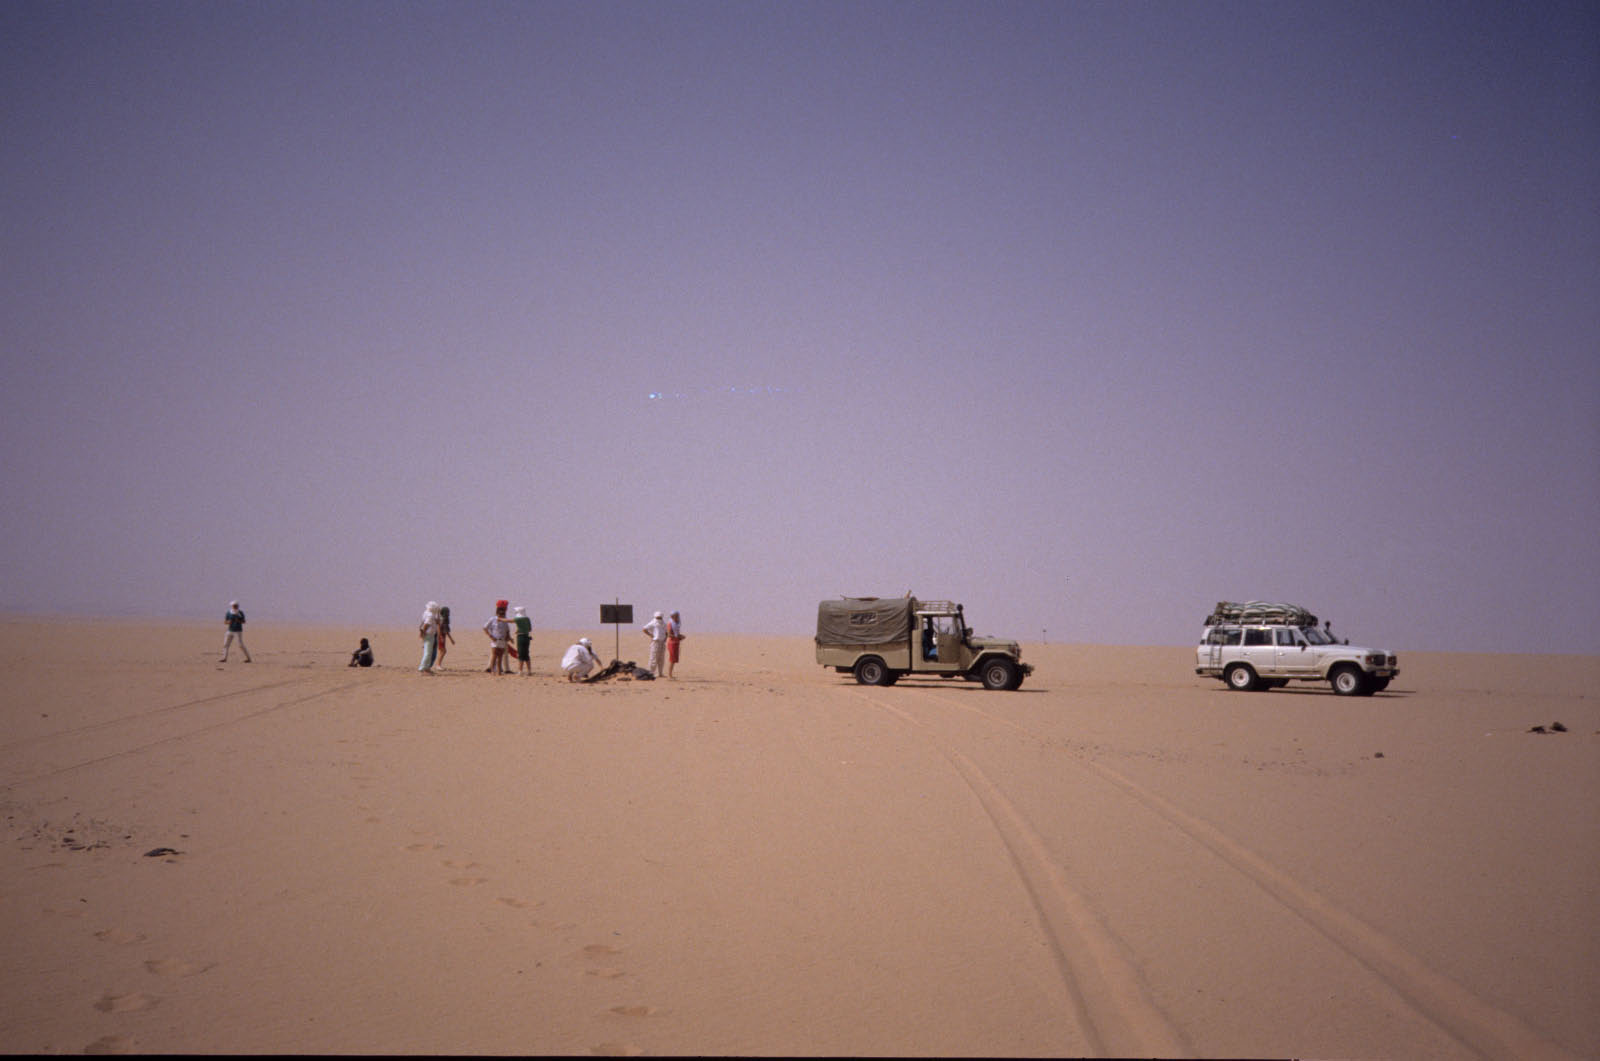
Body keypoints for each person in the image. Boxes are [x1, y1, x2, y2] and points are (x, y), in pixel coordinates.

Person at [484, 600, 512, 675]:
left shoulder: (504, 619)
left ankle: (499, 671)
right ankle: (492, 669)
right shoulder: (493, 619)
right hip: (495, 640)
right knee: (494, 655)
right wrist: (491, 636)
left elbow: (507, 629)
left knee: (500, 656)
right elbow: (485, 628)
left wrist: (509, 637)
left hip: (502, 640)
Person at [641, 610, 669, 678]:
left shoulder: (664, 623)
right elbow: (644, 629)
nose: (659, 618)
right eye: (658, 617)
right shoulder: (653, 622)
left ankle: (660, 673)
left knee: (661, 658)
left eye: (660, 617)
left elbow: (666, 632)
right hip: (655, 642)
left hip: (662, 642)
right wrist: (651, 635)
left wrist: (665, 638)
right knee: (653, 658)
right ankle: (650, 673)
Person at [418, 601, 442, 673]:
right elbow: (426, 624)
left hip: (428, 634)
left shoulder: (427, 613)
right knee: (428, 652)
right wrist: (423, 632)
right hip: (429, 634)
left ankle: (427, 668)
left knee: (429, 652)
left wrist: (421, 632)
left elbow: (437, 621)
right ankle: (423, 668)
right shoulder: (430, 615)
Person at [511, 605, 533, 675]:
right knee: (526, 654)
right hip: (527, 636)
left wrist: (500, 619)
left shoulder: (518, 619)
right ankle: (529, 671)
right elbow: (530, 629)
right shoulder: (527, 619)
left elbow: (510, 621)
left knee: (521, 654)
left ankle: (520, 671)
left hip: (521, 637)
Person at [666, 610, 686, 678]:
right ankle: (669, 675)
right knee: (672, 659)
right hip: (672, 643)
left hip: (676, 643)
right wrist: (678, 637)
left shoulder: (676, 624)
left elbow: (676, 634)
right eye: (676, 616)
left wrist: (680, 636)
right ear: (672, 616)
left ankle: (670, 674)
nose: (678, 617)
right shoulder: (670, 624)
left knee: (674, 660)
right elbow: (669, 634)